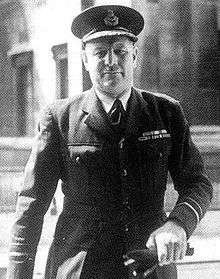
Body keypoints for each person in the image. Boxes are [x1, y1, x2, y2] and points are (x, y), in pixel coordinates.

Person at [7, 4, 212, 279]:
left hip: (150, 266)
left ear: (135, 56)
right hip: (81, 267)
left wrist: (178, 225)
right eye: (100, 53)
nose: (111, 61)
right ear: (85, 60)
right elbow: (31, 205)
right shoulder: (60, 118)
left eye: (120, 51)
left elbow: (197, 183)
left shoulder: (166, 112)